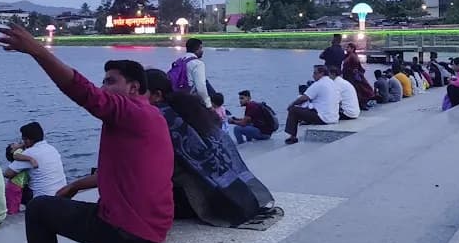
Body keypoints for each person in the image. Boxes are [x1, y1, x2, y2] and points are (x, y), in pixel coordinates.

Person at [0, 24, 174, 243]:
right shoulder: (152, 117)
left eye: (111, 81)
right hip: (153, 225)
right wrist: (76, 185)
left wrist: (36, 50)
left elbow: (82, 91)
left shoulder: (129, 111)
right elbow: (122, 173)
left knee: (37, 208)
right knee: (54, 205)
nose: (103, 87)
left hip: (126, 229)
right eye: (103, 81)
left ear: (134, 88)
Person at [145, 70, 275, 227]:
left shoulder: (162, 118)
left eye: (138, 92)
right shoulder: (187, 109)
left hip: (192, 201)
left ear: (157, 95)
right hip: (225, 194)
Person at [3, 122, 67, 200]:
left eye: (23, 139)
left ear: (27, 140)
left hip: (43, 200)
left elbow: (7, 174)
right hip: (62, 195)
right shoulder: (52, 149)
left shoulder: (29, 153)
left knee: (14, 185)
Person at [284, 65, 340, 145]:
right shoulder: (332, 83)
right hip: (334, 117)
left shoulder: (319, 84)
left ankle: (292, 137)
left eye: (315, 73)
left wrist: (291, 104)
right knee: (308, 107)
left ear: (322, 73)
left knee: (293, 110)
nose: (313, 75)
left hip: (323, 118)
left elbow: (303, 98)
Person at [4, 144, 37, 215]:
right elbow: (15, 154)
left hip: (18, 185)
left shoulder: (22, 156)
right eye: (13, 145)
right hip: (15, 186)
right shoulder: (19, 153)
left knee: (15, 204)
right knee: (13, 208)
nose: (16, 144)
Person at [341, 43, 375, 110]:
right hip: (349, 76)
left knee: (357, 90)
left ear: (352, 49)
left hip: (351, 77)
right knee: (358, 90)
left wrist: (353, 72)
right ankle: (359, 104)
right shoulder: (349, 56)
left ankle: (359, 104)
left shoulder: (353, 56)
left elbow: (355, 67)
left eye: (348, 47)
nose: (346, 49)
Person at [184, 38, 212, 108]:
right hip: (189, 98)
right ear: (198, 48)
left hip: (177, 95)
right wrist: (208, 105)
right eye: (201, 48)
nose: (202, 51)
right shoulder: (197, 63)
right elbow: (201, 87)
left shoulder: (180, 60)